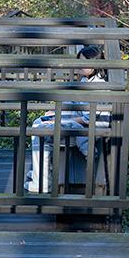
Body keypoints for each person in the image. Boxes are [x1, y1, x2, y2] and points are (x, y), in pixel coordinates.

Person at [25, 44, 112, 193]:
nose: (79, 65)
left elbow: (87, 118)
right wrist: (54, 112)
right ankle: (41, 175)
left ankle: (42, 182)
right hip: (79, 121)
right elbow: (75, 103)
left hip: (88, 128)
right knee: (39, 123)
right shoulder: (87, 80)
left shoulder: (98, 86)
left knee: (40, 130)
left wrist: (58, 120)